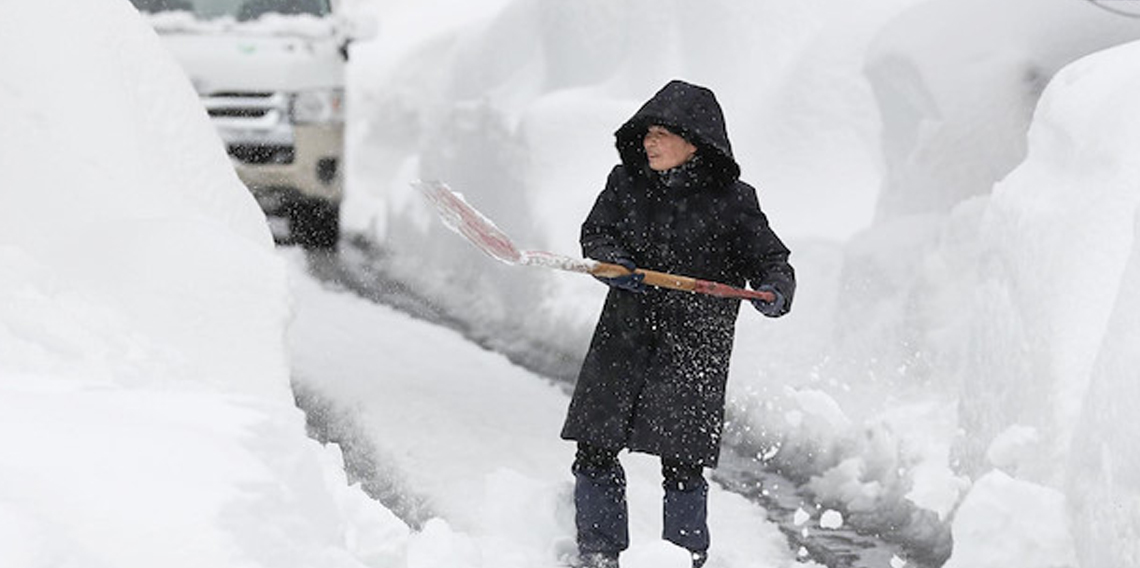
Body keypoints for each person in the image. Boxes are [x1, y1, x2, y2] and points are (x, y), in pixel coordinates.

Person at [560, 80, 796, 568]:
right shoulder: (625, 183)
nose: (649, 142)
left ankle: (685, 556)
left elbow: (771, 260)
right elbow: (597, 233)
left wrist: (774, 289)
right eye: (647, 133)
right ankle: (599, 553)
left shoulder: (734, 200)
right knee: (594, 448)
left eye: (661, 134)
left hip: (694, 347)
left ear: (695, 141)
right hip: (625, 336)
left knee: (683, 466)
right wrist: (615, 264)